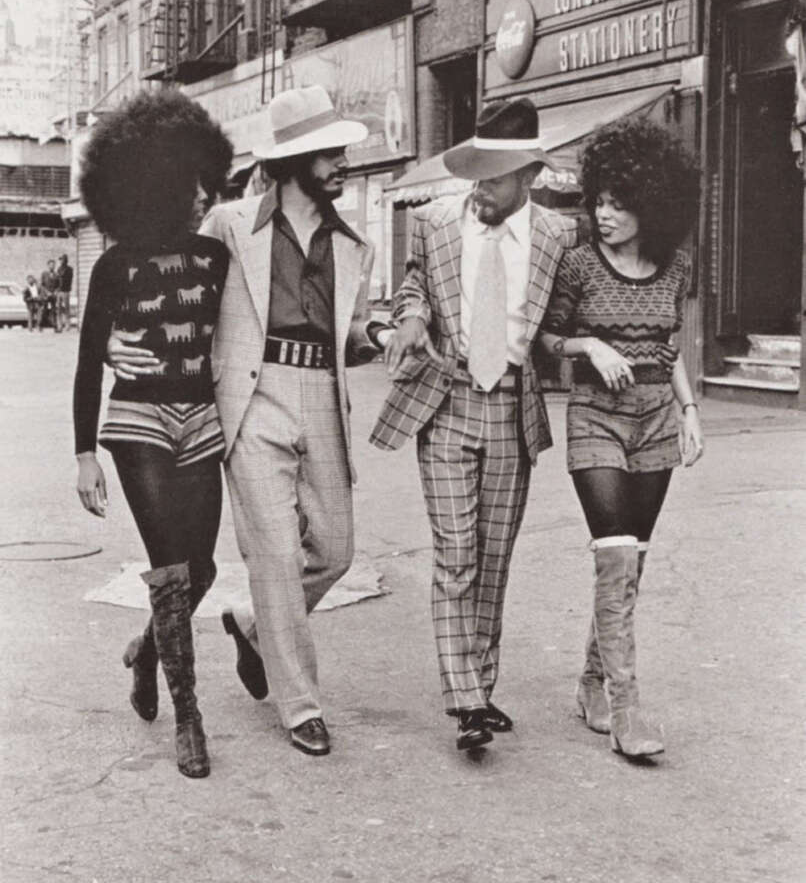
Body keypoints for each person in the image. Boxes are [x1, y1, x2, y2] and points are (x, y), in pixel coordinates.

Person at [107, 85, 388, 758]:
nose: (344, 163)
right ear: (297, 161)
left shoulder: (356, 245)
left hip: (322, 392)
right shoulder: (230, 225)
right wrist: (127, 333)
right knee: (276, 556)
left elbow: (349, 335)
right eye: (331, 154)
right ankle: (301, 706)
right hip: (250, 398)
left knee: (336, 551)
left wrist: (379, 331)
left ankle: (245, 629)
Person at [370, 97, 578, 752]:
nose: (479, 189)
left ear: (529, 177)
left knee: (493, 559)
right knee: (456, 554)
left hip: (514, 408)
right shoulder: (433, 224)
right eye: (476, 175)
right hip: (447, 400)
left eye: (493, 177)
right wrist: (409, 319)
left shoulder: (557, 237)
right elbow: (413, 290)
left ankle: (481, 692)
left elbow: (567, 317)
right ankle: (464, 700)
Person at [73, 90, 233, 779]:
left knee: (203, 569)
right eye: (188, 182)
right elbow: (86, 362)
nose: (201, 195)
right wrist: (84, 454)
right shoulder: (113, 266)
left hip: (202, 418)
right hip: (137, 421)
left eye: (205, 180)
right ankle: (189, 717)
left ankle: (145, 652)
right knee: (170, 568)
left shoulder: (216, 258)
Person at [538, 116, 703, 759]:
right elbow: (547, 339)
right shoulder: (578, 265)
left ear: (651, 205)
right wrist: (589, 345)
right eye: (599, 200)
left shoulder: (675, 267)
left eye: (618, 203)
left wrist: (690, 411)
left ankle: (590, 684)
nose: (603, 213)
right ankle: (627, 710)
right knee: (613, 553)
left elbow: (670, 348)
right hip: (595, 416)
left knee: (631, 561)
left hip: (658, 417)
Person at [55, 253, 74, 331]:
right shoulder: (59, 269)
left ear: (65, 260)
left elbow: (68, 280)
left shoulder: (69, 269)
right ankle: (59, 325)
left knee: (67, 309)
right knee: (58, 309)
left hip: (66, 291)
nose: (61, 261)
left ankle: (67, 325)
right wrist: (56, 289)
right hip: (59, 291)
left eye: (62, 259)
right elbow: (57, 280)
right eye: (60, 259)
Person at [40, 259, 59, 330]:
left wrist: (55, 292)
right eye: (50, 265)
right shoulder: (44, 274)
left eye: (53, 265)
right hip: (46, 295)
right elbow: (42, 285)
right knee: (44, 310)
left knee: (54, 311)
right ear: (48, 266)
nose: (52, 266)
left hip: (53, 295)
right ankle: (40, 325)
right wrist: (46, 292)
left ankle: (55, 326)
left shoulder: (56, 275)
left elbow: (59, 285)